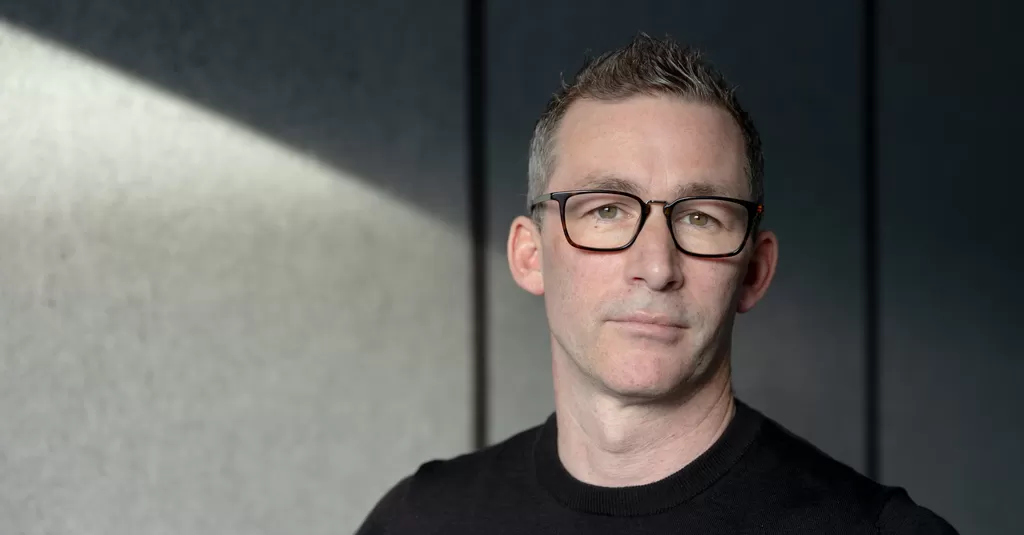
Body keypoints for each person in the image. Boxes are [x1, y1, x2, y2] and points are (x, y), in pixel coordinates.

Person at [356, 33, 957, 534]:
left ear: (754, 271)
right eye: (607, 210)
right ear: (529, 255)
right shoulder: (418, 522)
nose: (657, 266)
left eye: (700, 218)